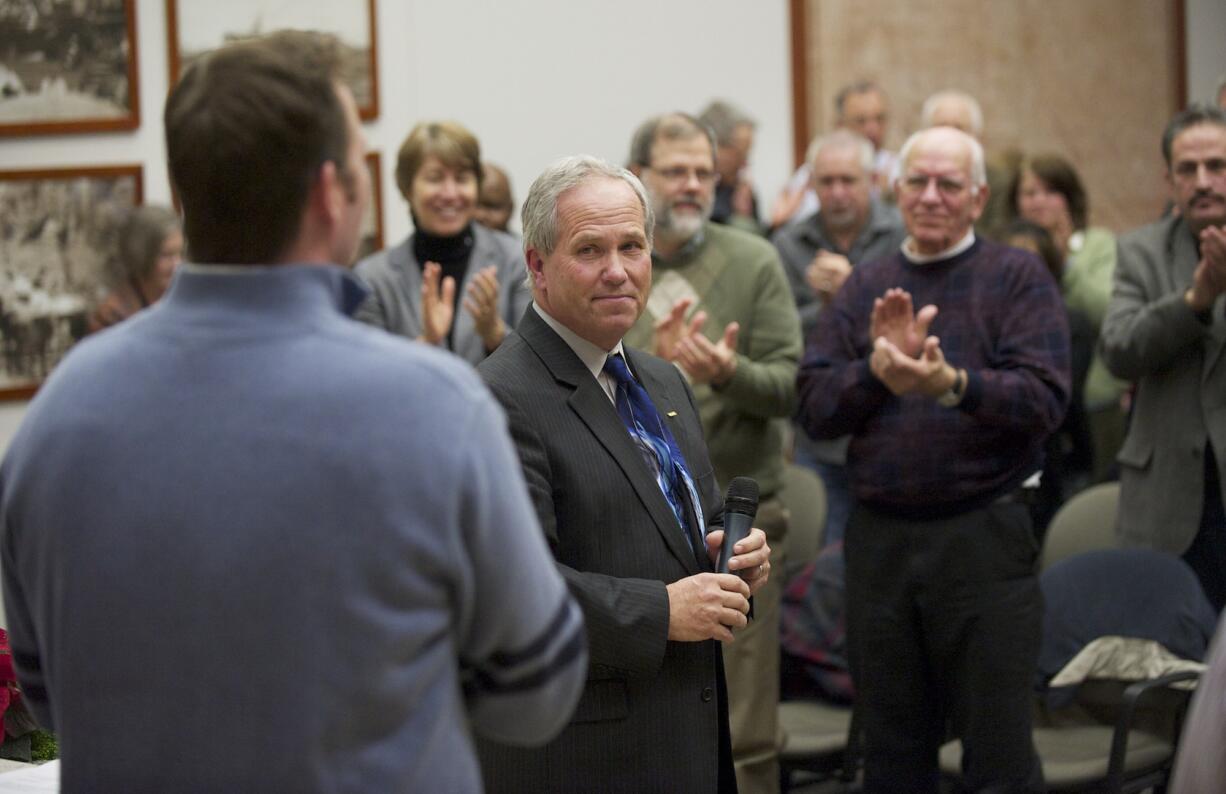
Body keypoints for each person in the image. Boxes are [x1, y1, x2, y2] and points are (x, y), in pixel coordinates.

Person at [0, 31, 586, 791]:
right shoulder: (432, 410)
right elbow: (539, 691)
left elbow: (47, 699)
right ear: (329, 193)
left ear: (186, 195)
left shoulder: (57, 417)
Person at [475, 155, 773, 794]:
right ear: (537, 267)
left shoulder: (661, 379)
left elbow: (686, 517)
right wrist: (661, 610)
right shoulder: (499, 397)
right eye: (590, 250)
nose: (617, 270)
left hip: (683, 730)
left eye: (632, 246)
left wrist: (733, 548)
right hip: (584, 753)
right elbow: (511, 590)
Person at [796, 126, 1070, 792]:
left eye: (950, 184)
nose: (932, 196)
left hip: (984, 540)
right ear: (896, 192)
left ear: (978, 199)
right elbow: (813, 402)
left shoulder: (1016, 276)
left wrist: (952, 385)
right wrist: (878, 377)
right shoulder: (868, 285)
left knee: (997, 755)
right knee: (891, 754)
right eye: (918, 182)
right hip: (881, 546)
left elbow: (1045, 397)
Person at [622, 112, 801, 794]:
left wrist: (729, 373)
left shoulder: (753, 258)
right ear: (640, 175)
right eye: (676, 171)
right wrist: (650, 371)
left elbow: (790, 386)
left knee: (746, 735)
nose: (693, 185)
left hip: (740, 535)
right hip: (637, 541)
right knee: (656, 732)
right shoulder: (617, 266)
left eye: (705, 172)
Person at [1100, 104, 1226, 613]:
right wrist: (1193, 302)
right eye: (1187, 170)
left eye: (1217, 166)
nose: (1202, 182)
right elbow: (1119, 350)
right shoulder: (1140, 252)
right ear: (1168, 179)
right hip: (1168, 500)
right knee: (1170, 663)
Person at [772, 129, 906, 547]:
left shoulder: (902, 236)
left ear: (872, 182)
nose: (838, 193)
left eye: (848, 181)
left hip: (893, 425)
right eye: (826, 182)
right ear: (811, 186)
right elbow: (784, 334)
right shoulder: (788, 244)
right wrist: (828, 307)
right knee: (824, 561)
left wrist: (850, 293)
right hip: (821, 432)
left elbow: (912, 327)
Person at [354, 121, 529, 365]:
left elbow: (539, 371)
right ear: (407, 188)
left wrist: (495, 334)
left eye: (462, 178)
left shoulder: (516, 260)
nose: (449, 193)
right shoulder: (372, 278)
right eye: (435, 179)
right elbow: (367, 376)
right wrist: (426, 342)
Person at [771, 81, 898, 227]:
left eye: (879, 119)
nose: (872, 128)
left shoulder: (901, 169)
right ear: (840, 124)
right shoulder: (816, 171)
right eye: (861, 121)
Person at [87, 205, 183, 332]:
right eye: (166, 255)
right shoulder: (110, 316)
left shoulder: (184, 303)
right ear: (141, 255)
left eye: (180, 253)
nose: (177, 265)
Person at [698, 99, 762, 233]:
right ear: (714, 146)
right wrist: (740, 219)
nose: (745, 164)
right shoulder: (691, 189)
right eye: (740, 154)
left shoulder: (741, 192)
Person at [475, 161, 515, 233]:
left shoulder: (520, 244)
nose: (479, 215)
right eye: (475, 205)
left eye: (491, 206)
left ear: (510, 209)